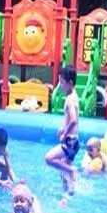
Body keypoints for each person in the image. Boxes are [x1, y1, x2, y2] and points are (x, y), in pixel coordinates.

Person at [45, 65, 79, 194]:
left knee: (49, 159)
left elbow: (74, 120)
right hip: (75, 141)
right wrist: (63, 127)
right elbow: (72, 119)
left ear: (69, 83)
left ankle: (72, 171)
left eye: (61, 82)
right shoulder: (74, 96)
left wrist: (64, 134)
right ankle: (68, 194)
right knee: (63, 173)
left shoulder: (70, 99)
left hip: (70, 141)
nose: (60, 86)